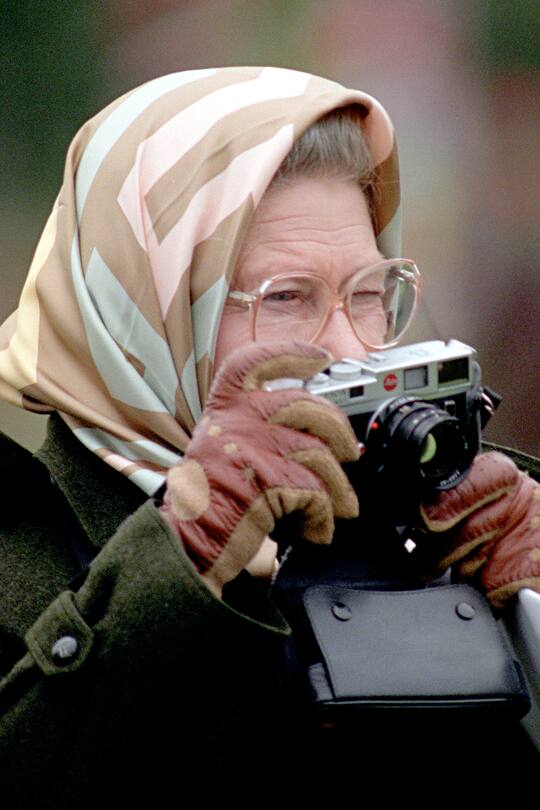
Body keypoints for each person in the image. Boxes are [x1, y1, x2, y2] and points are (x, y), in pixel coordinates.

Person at [0, 66, 539, 806]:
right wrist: (178, 562)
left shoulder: (440, 536)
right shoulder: (18, 558)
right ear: (141, 319)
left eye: (369, 294)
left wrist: (533, 614)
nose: (353, 348)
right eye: (287, 297)